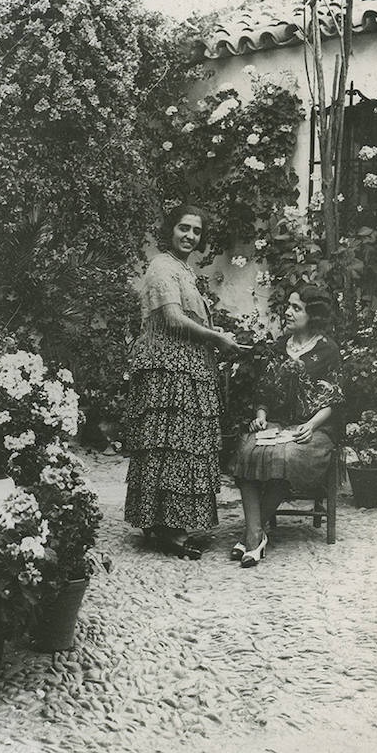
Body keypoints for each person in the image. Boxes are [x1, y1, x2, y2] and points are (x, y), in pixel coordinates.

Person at [124, 203, 242, 560]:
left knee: (181, 444)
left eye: (196, 231)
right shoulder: (162, 266)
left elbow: (186, 316)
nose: (190, 236)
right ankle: (167, 530)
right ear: (169, 230)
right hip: (169, 368)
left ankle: (164, 523)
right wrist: (215, 338)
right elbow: (174, 319)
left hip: (186, 365)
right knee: (169, 444)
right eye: (183, 228)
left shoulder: (183, 270)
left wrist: (212, 333)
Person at [230, 285, 343, 568]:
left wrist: (310, 423)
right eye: (288, 306)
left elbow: (335, 398)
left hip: (314, 428)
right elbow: (263, 391)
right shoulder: (279, 347)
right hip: (277, 424)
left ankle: (251, 538)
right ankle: (255, 534)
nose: (288, 312)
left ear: (313, 315)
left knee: (286, 456)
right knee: (247, 450)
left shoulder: (328, 350)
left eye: (297, 308)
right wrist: (261, 414)